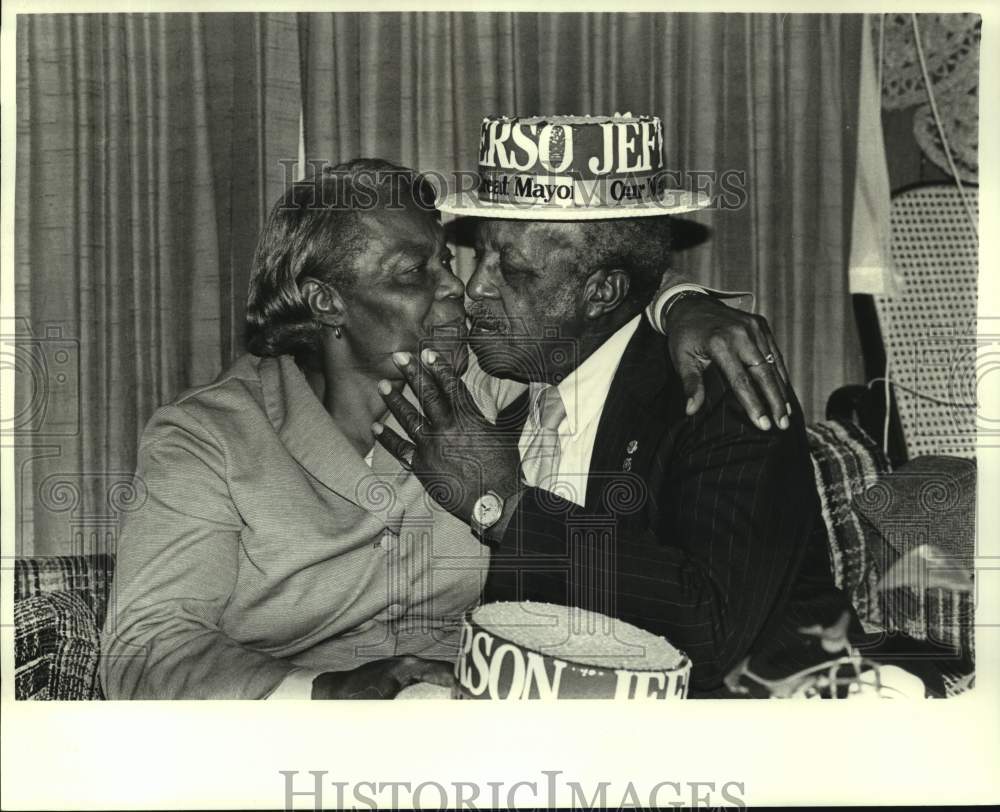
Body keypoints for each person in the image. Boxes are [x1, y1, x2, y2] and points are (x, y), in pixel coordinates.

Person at [100, 158, 795, 699]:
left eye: (445, 260)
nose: (458, 290)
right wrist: (327, 695)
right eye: (415, 273)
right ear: (325, 302)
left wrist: (684, 305)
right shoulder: (211, 437)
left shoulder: (496, 389)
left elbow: (588, 324)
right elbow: (145, 649)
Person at [372, 119, 931, 697]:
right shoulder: (507, 388)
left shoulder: (716, 393)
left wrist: (508, 506)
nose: (475, 287)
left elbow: (711, 631)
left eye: (511, 269)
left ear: (602, 292)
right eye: (478, 253)